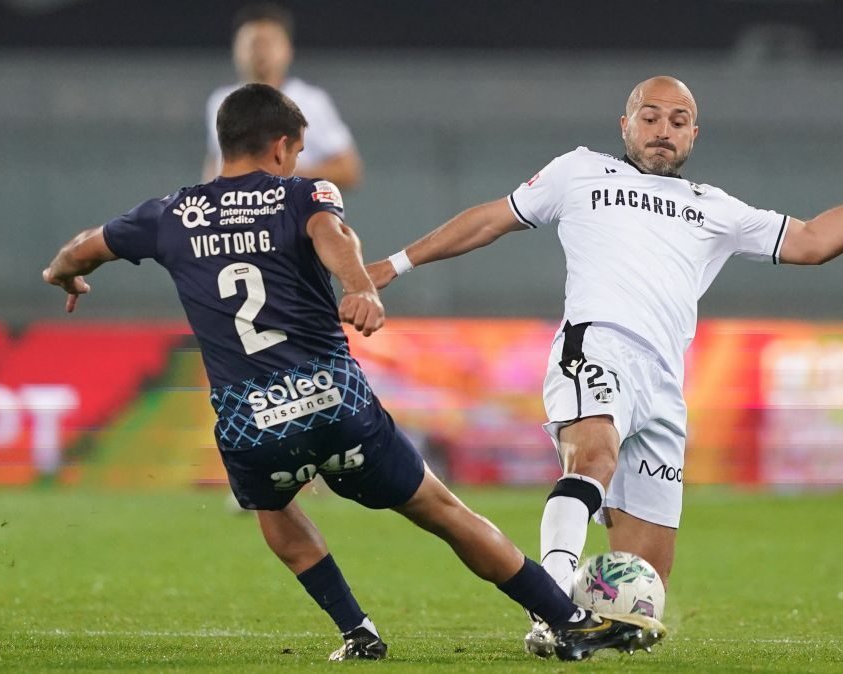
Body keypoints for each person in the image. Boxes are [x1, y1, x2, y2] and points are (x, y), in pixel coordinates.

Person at [41, 83, 664, 662]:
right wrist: (361, 287)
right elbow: (332, 234)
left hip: (250, 422)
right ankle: (565, 619)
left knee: (277, 516)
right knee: (444, 512)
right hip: (332, 403)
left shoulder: (167, 215)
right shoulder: (304, 193)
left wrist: (62, 274)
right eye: (298, 149)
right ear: (282, 147)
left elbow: (83, 246)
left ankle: (356, 629)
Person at [366, 75, 843, 655]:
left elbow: (813, 241)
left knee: (640, 592)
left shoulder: (715, 209)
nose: (662, 130)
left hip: (665, 383)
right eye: (650, 117)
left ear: (694, 133)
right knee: (592, 453)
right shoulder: (579, 171)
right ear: (626, 125)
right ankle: (552, 609)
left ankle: (579, 634)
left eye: (677, 120)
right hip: (598, 346)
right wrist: (395, 264)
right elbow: (492, 217)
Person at [201, 3, 362, 188]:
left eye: (268, 43)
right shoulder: (220, 100)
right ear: (236, 49)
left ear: (287, 50)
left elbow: (348, 170)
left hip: (293, 214)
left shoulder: (310, 101)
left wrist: (287, 176)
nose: (261, 52)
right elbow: (216, 163)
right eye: (253, 44)